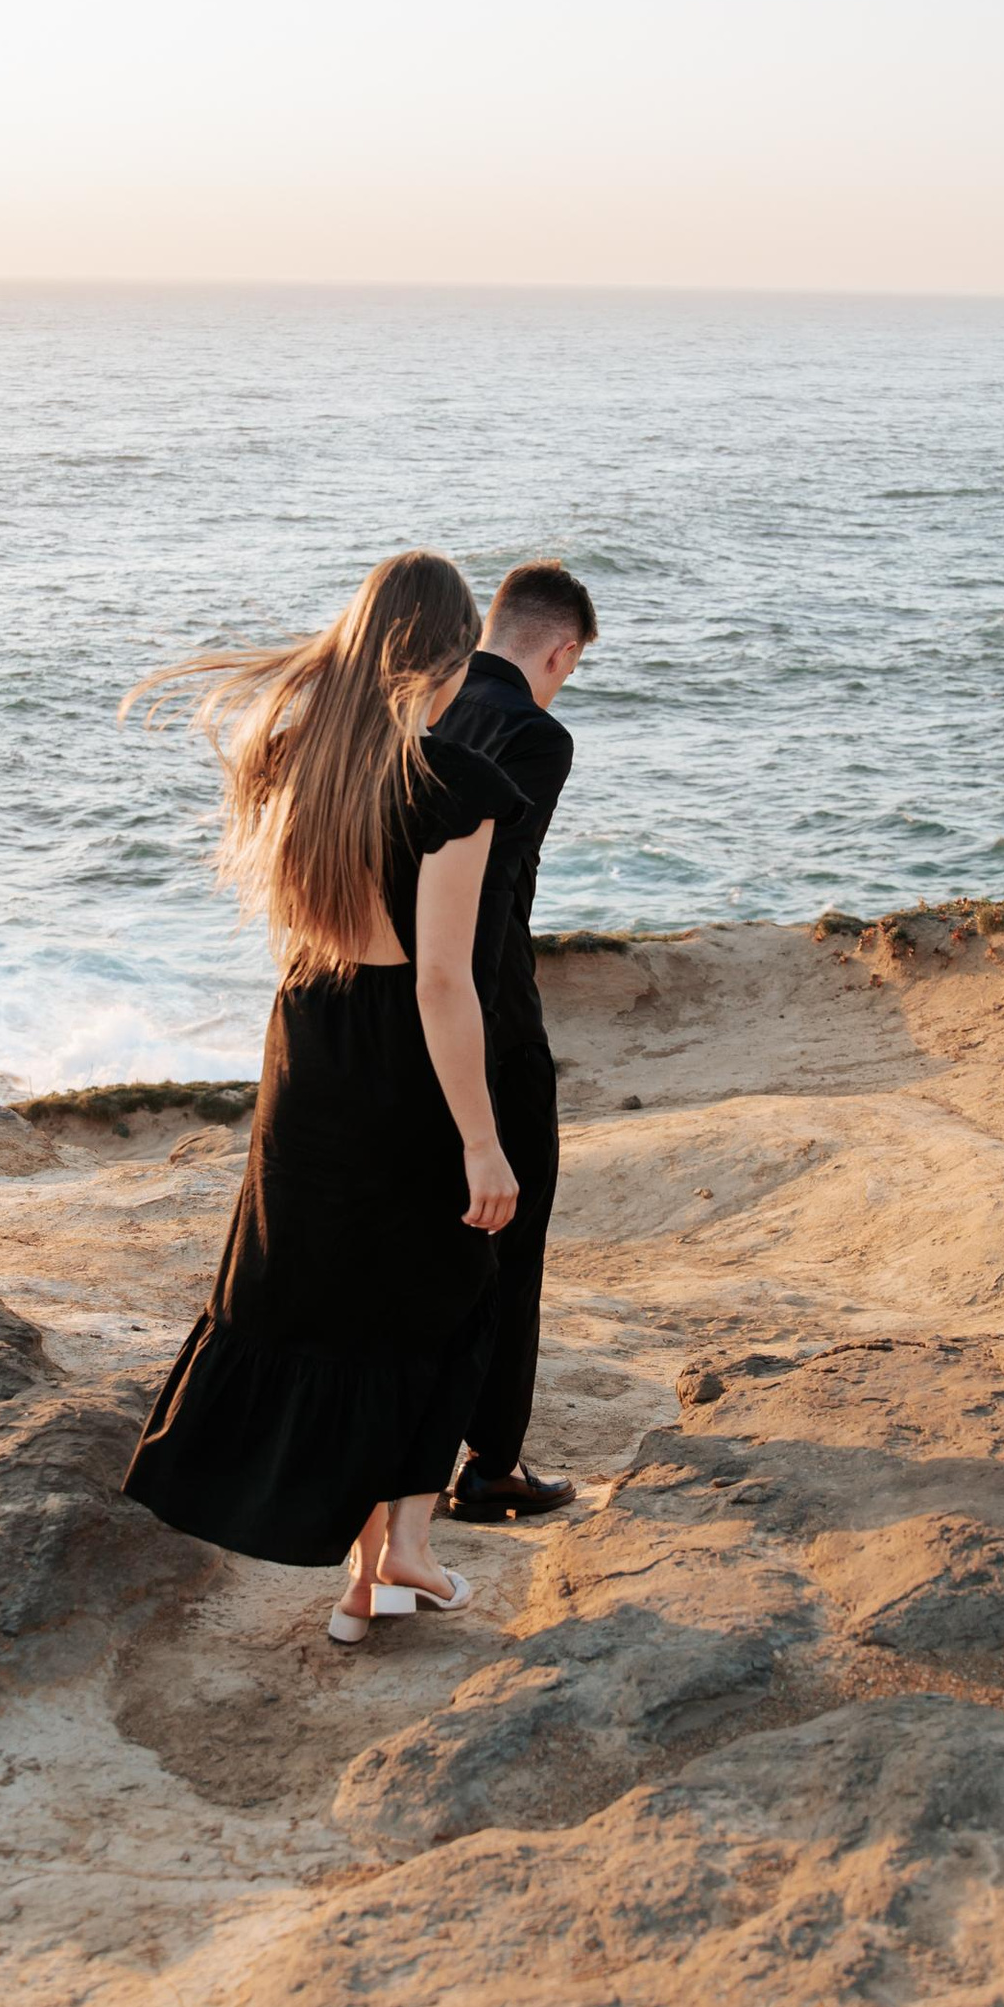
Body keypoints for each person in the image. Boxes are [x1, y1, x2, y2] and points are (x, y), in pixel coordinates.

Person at [120, 551, 528, 1644]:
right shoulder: (456, 788)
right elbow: (442, 982)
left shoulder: (291, 759)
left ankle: (372, 1578)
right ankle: (404, 1554)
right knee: (450, 1298)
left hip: (307, 1047)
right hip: (401, 1063)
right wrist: (482, 1142)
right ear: (446, 658)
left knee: (345, 1303)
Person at [429, 559, 597, 1518]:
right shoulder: (538, 736)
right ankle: (491, 1464)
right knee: (514, 1233)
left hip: (404, 1000)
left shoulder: (428, 709)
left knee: (435, 1226)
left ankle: (414, 1440)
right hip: (490, 1010)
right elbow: (492, 899)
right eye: (570, 667)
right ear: (560, 650)